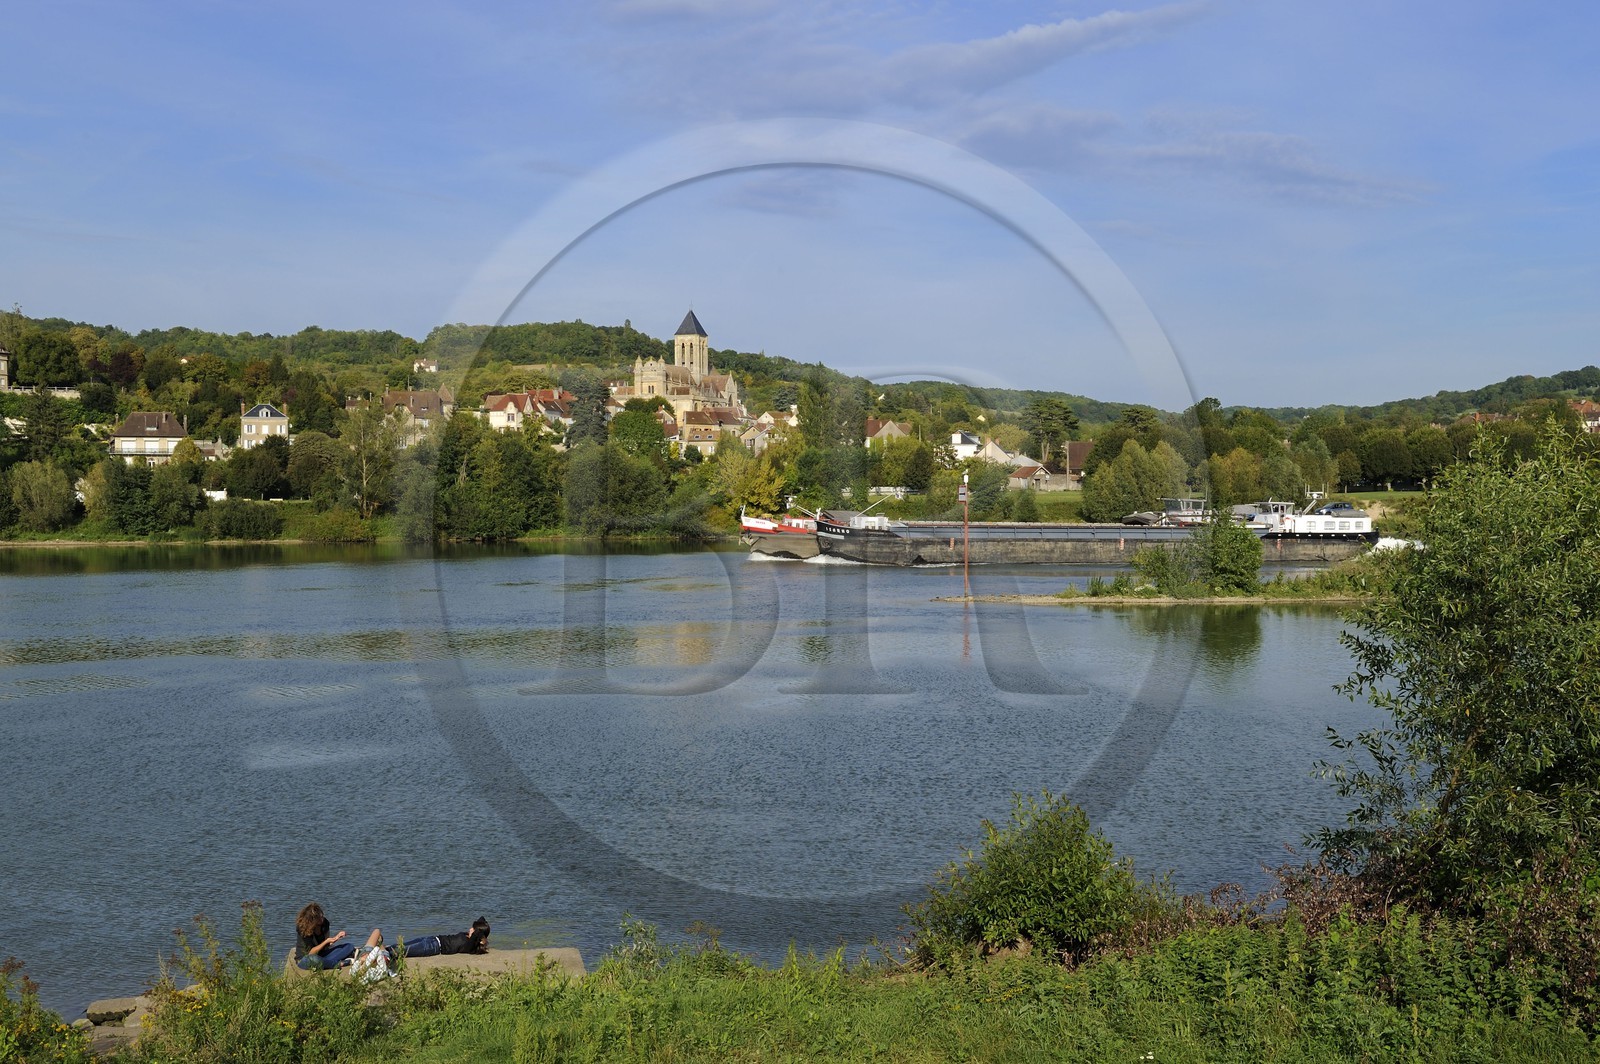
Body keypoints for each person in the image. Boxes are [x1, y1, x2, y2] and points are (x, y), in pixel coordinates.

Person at [294, 902, 385, 971]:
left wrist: (335, 939)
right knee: (313, 959)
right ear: (313, 920)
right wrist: (326, 942)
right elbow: (311, 953)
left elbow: (325, 947)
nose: (322, 917)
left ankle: (327, 963)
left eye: (322, 915)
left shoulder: (325, 923)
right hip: (306, 959)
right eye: (319, 917)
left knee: (348, 946)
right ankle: (339, 964)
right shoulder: (304, 929)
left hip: (323, 956)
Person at [396, 917, 490, 959]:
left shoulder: (469, 946)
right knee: (398, 946)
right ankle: (383, 950)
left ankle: (383, 956)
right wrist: (481, 927)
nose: (470, 929)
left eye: (473, 929)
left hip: (433, 947)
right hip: (432, 939)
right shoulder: (467, 936)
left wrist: (482, 939)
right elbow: (481, 918)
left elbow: (477, 934)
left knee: (399, 951)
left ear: (478, 936)